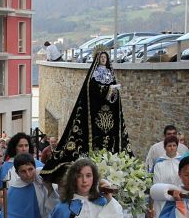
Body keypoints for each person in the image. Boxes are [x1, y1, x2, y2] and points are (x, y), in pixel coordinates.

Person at [41, 51, 132, 183]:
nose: (103, 59)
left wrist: (113, 91)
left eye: (105, 57)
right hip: (94, 113)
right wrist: (107, 90)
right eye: (101, 57)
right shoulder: (94, 75)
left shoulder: (110, 74)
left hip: (109, 114)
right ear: (97, 59)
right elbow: (91, 90)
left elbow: (114, 97)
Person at [152, 135, 184, 218]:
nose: (172, 148)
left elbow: (183, 180)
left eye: (174, 145)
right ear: (165, 147)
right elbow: (157, 182)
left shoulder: (181, 162)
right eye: (169, 145)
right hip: (163, 200)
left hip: (178, 198)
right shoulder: (159, 163)